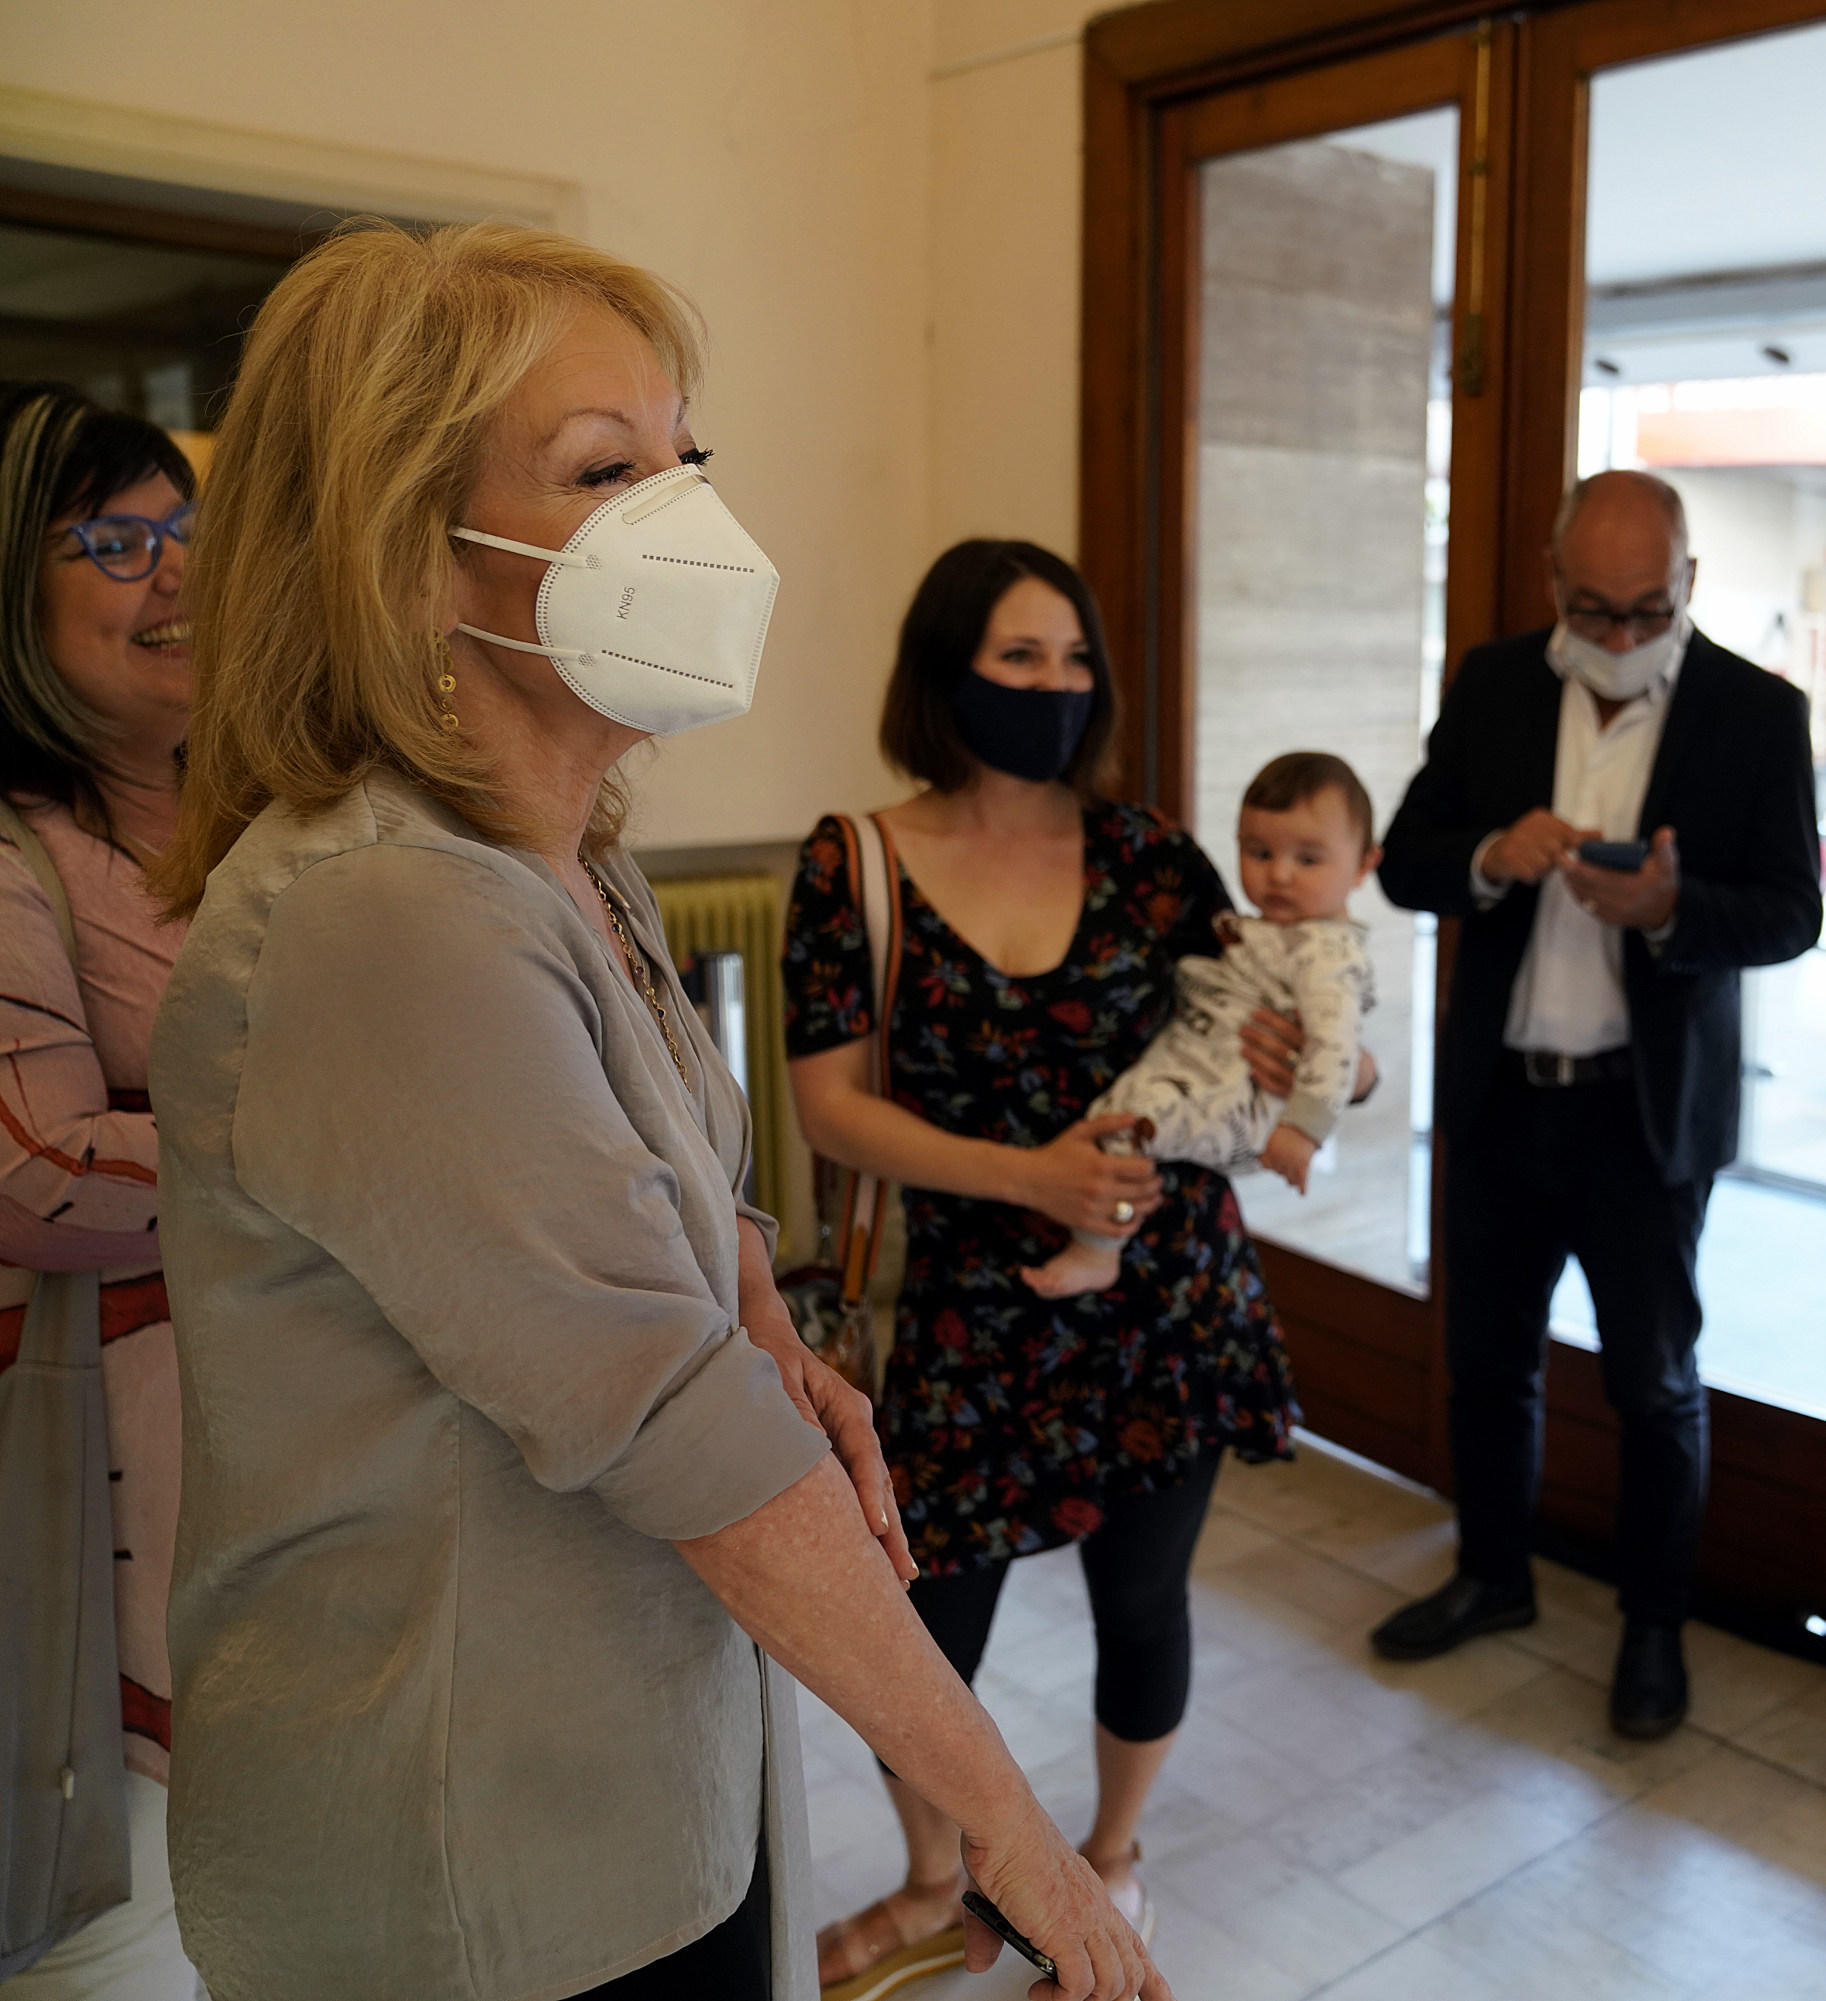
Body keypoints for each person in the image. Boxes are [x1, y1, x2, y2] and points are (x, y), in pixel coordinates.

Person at [146, 224, 1169, 2001]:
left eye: (684, 457)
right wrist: (1008, 1825)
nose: (685, 517)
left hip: (620, 1775)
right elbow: (675, 1429)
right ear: (408, 555)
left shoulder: (565, 859)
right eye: (604, 472)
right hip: (470, 1852)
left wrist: (769, 1323)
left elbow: (681, 1187)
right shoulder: (388, 915)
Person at [786, 539, 1329, 1994]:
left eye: (1076, 657)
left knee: (1143, 1606)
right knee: (916, 1636)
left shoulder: (1153, 856)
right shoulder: (856, 860)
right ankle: (935, 1878)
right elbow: (830, 1107)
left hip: (1166, 1305)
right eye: (1020, 655)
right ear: (946, 670)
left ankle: (1113, 1856)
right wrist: (1029, 1175)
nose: (1058, 684)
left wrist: (1300, 1063)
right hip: (968, 1322)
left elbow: (1271, 1035)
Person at [1365, 470, 1820, 1736]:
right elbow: (1405, 862)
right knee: (1485, 1365)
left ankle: (1653, 1630)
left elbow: (1792, 913)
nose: (1620, 636)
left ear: (1689, 585)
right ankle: (1491, 1576)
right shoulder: (1495, 682)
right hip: (1503, 1095)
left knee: (1653, 1387)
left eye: (1646, 610)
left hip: (1646, 1115)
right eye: (1593, 609)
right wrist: (1486, 859)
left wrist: (1674, 909)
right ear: (1553, 584)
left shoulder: (1757, 711)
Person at [0, 383, 199, 2000]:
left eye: (189, 530)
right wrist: (351, 1144)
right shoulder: (18, 855)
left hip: (321, 1533)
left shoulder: (276, 811)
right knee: (121, 1945)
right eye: (118, 543)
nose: (177, 571)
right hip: (118, 1531)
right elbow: (38, 1172)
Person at [1024, 748, 1379, 1299]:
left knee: (1125, 1123)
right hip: (1207, 1071)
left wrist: (1303, 1131)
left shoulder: (1327, 954)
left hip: (1238, 1104)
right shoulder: (1284, 932)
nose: (1279, 874)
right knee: (1122, 1116)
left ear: (1362, 866)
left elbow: (1334, 1048)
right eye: (1259, 852)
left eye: (1308, 859)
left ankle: (1097, 1249)